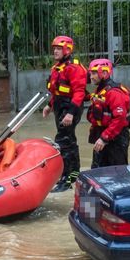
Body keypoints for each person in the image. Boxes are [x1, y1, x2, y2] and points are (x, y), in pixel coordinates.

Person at [41, 35, 87, 192]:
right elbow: (58, 91)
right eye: (54, 48)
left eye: (59, 49)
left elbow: (79, 92)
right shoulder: (57, 68)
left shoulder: (74, 68)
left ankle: (66, 180)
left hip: (70, 107)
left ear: (67, 50)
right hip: (61, 106)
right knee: (69, 141)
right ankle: (74, 175)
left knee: (63, 141)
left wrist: (70, 114)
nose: (55, 51)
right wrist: (49, 105)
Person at [86, 59, 130, 168]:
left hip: (115, 139)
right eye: (90, 73)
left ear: (104, 73)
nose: (91, 77)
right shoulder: (101, 90)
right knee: (97, 169)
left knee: (117, 172)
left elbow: (119, 119)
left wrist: (104, 138)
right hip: (104, 136)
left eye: (94, 73)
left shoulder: (114, 93)